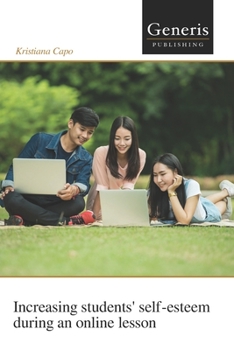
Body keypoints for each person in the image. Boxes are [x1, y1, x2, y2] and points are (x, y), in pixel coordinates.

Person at [1, 107, 99, 226]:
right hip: (27, 199)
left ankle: (24, 218)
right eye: (82, 129)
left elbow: (83, 183)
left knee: (78, 203)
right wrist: (9, 186)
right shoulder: (39, 140)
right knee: (10, 198)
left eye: (90, 132)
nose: (85, 135)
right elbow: (16, 167)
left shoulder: (86, 158)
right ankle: (67, 221)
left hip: (56, 202)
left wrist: (74, 189)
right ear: (70, 123)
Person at [86, 116, 146, 220]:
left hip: (122, 197)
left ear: (133, 138)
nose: (122, 143)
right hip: (100, 198)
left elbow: (129, 186)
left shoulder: (140, 155)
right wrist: (95, 217)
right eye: (117, 138)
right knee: (100, 218)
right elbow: (102, 188)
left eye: (127, 139)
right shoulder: (101, 153)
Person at [148, 153, 234, 225]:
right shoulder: (155, 190)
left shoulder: (191, 185)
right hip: (197, 203)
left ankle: (226, 194)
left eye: (162, 174)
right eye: (155, 175)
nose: (158, 180)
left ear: (175, 172)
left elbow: (184, 221)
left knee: (216, 206)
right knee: (202, 201)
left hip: (208, 213)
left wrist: (171, 192)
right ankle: (227, 190)